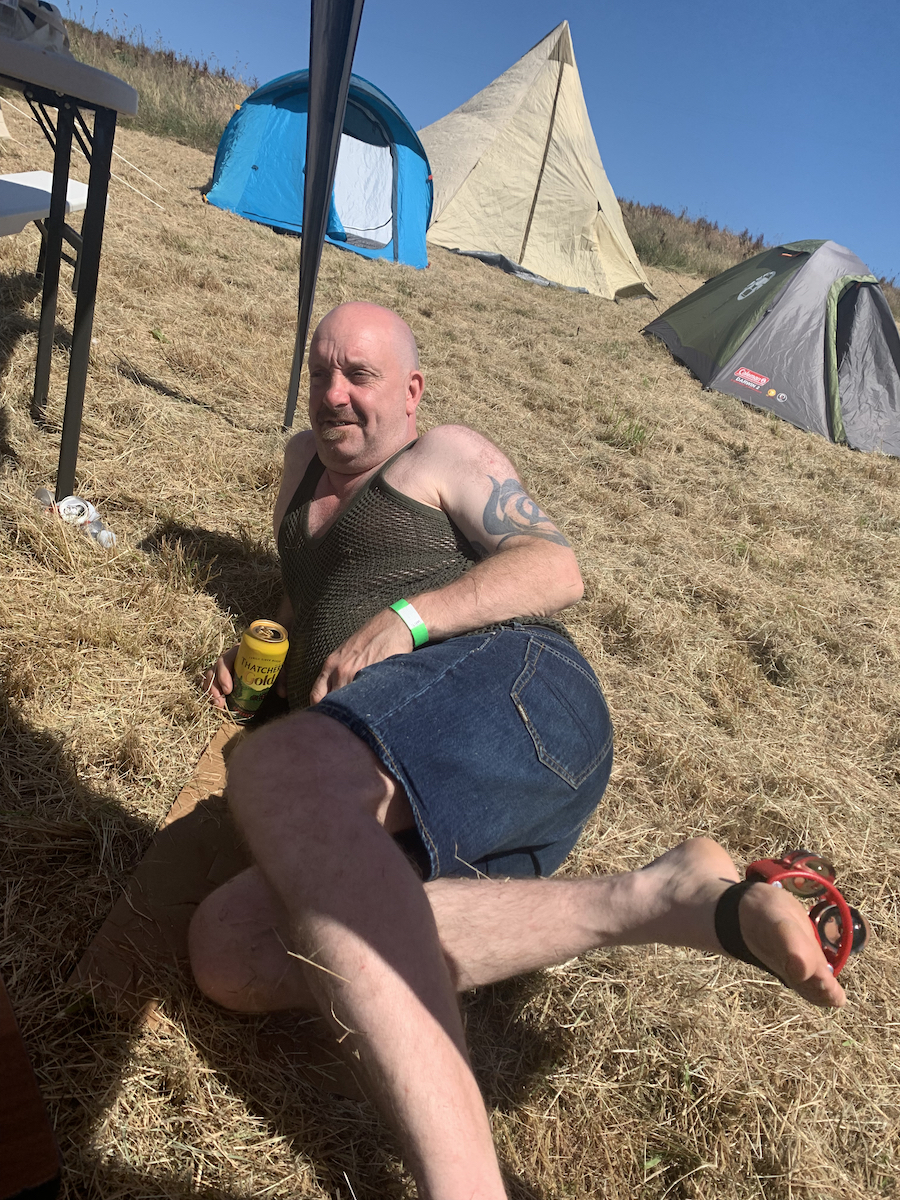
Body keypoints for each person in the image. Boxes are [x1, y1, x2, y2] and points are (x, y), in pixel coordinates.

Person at [192, 302, 846, 1200]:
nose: (334, 394)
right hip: (425, 761)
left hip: (519, 688)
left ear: (412, 392)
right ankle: (660, 898)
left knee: (277, 775)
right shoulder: (300, 464)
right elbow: (310, 597)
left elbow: (555, 567)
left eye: (360, 375)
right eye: (320, 372)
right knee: (228, 952)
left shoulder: (441, 456)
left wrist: (410, 618)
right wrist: (262, 655)